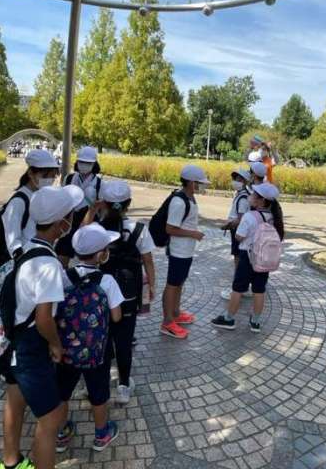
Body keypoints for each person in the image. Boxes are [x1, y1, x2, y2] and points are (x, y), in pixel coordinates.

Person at [0, 185, 84, 469]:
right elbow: (45, 318)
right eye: (69, 215)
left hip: (14, 339)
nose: (71, 220)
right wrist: (56, 344)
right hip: (32, 347)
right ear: (61, 224)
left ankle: (11, 462)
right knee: (51, 419)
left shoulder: (27, 248)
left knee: (14, 401)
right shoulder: (48, 264)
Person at [84, 180, 156, 404]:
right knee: (124, 341)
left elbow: (81, 239)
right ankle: (124, 385)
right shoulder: (139, 229)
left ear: (104, 203)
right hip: (128, 293)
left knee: (103, 339)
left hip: (100, 294)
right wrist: (152, 286)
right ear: (129, 203)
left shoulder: (96, 229)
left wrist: (92, 210)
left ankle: (99, 384)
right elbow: (148, 261)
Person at [55, 223, 124, 453]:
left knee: (62, 392)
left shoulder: (63, 277)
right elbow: (116, 316)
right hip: (97, 351)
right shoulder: (107, 281)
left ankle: (61, 433)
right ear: (101, 254)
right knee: (98, 393)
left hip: (66, 349)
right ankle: (102, 434)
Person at [211, 183, 284, 333]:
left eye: (254, 195)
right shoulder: (273, 217)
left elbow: (239, 236)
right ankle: (255, 322)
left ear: (261, 200)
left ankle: (229, 319)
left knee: (238, 288)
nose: (250, 197)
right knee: (259, 290)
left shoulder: (249, 216)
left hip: (247, 257)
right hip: (263, 259)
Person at [160, 165, 209, 339]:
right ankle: (167, 322)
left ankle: (175, 312)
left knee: (179, 282)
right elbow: (170, 228)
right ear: (190, 182)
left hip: (186, 250)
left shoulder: (190, 198)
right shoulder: (179, 201)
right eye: (199, 183)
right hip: (178, 251)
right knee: (172, 284)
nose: (202, 186)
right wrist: (193, 234)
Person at [2, 149, 60, 261]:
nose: (49, 180)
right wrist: (23, 261)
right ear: (30, 173)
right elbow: (13, 242)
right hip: (26, 261)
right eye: (45, 176)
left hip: (38, 257)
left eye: (52, 176)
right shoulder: (19, 201)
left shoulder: (41, 195)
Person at [56, 146, 102, 266]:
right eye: (81, 162)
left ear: (94, 164)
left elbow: (101, 208)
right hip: (69, 222)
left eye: (88, 163)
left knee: (88, 262)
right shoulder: (69, 178)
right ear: (77, 162)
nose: (84, 165)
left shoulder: (100, 183)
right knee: (61, 257)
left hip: (89, 223)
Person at [220, 168, 251, 301]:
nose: (235, 181)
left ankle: (238, 289)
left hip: (237, 232)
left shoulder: (243, 198)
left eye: (239, 179)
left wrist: (227, 225)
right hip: (238, 231)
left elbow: (240, 219)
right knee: (240, 259)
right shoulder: (242, 194)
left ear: (245, 181)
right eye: (235, 179)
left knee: (238, 260)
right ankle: (243, 287)